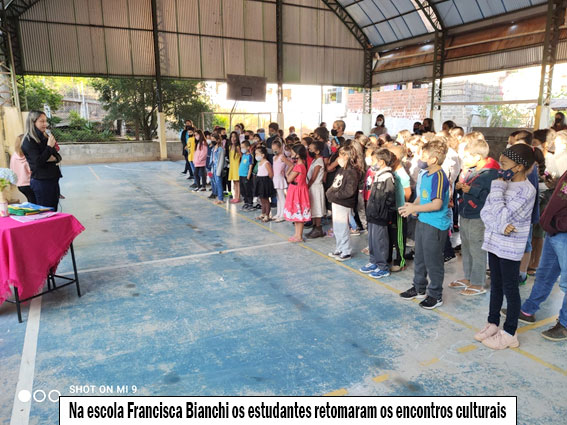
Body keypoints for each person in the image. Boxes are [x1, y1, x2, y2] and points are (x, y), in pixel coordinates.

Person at [475, 144, 536, 350]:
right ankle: (492, 323)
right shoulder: (502, 183)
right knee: (496, 285)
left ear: (519, 167)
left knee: (510, 289)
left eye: (504, 164)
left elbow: (505, 214)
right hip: (494, 242)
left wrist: (497, 191)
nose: (500, 168)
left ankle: (510, 332)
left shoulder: (527, 191)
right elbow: (485, 213)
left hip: (510, 248)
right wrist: (501, 227)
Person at [513, 169, 567, 341]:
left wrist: (559, 223)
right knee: (544, 274)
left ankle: (565, 325)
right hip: (554, 230)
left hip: (562, 230)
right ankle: (528, 310)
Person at [398, 139, 450, 310]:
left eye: (424, 156)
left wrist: (415, 208)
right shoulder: (426, 174)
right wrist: (412, 206)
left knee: (433, 261)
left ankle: (435, 295)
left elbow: (436, 204)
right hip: (423, 221)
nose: (420, 159)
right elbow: (423, 196)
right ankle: (419, 287)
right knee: (419, 257)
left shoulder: (439, 176)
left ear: (433, 159)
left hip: (435, 225)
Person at [450, 133, 499, 295]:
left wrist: (472, 190)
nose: (464, 160)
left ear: (477, 157)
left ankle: (478, 283)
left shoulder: (491, 173)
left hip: (479, 215)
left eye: (466, 157)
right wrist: (461, 187)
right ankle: (469, 277)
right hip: (466, 212)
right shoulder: (472, 170)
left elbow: (492, 196)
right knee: (466, 246)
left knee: (477, 248)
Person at [360, 148, 396, 278]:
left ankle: (383, 266)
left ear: (381, 161)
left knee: (380, 241)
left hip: (380, 216)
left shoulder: (387, 177)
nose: (372, 162)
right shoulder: (378, 175)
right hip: (373, 214)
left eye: (374, 160)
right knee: (372, 240)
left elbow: (389, 198)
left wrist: (384, 213)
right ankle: (374, 261)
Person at [326, 144, 361, 261]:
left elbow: (349, 191)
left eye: (341, 155)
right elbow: (336, 185)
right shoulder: (341, 170)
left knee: (342, 228)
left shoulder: (352, 172)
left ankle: (346, 251)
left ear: (347, 156)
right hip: (336, 202)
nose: (338, 158)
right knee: (337, 228)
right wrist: (330, 193)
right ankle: (339, 248)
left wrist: (334, 195)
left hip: (343, 203)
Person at [21, 110, 62, 210]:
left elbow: (57, 157)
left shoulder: (45, 137)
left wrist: (50, 156)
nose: (45, 124)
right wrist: (49, 147)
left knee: (54, 210)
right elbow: (37, 163)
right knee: (45, 212)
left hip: (52, 178)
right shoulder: (29, 140)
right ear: (33, 122)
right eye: (42, 121)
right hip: (41, 181)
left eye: (45, 121)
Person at [387, 144, 411, 272]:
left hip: (399, 210)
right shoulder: (391, 171)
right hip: (391, 208)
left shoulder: (402, 174)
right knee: (390, 235)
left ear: (396, 158)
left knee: (399, 237)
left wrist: (403, 206)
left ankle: (400, 261)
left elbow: (408, 192)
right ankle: (388, 257)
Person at [283, 144, 311, 242]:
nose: (291, 155)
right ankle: (297, 234)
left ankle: (299, 235)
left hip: (297, 191)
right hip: (297, 190)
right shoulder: (301, 165)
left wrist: (288, 172)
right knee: (297, 213)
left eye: (293, 153)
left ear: (298, 154)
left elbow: (289, 179)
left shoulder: (298, 167)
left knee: (299, 212)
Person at [306, 141, 325, 239]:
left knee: (317, 208)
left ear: (317, 151)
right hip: (312, 187)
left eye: (311, 149)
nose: (309, 150)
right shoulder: (314, 160)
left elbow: (313, 177)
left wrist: (307, 186)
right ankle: (314, 227)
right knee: (313, 208)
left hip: (316, 187)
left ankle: (318, 228)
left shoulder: (319, 161)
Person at [10, 134, 35, 203]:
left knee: (31, 200)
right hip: (29, 183)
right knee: (34, 202)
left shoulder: (14, 156)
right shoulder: (27, 157)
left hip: (20, 184)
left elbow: (12, 169)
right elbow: (31, 170)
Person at [254, 146, 274, 222]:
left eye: (257, 154)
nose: (256, 155)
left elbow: (271, 174)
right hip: (259, 180)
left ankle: (267, 215)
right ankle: (263, 213)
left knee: (266, 199)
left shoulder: (266, 163)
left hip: (264, 181)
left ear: (262, 155)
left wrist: (266, 181)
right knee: (261, 199)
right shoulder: (259, 163)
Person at [271, 140, 289, 222]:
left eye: (276, 149)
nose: (274, 151)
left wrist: (286, 172)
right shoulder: (274, 157)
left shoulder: (282, 157)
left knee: (282, 197)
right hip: (275, 178)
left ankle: (283, 215)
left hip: (280, 178)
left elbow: (291, 165)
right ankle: (278, 213)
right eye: (273, 149)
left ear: (280, 148)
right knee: (278, 197)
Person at [211, 134, 226, 205]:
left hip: (218, 168)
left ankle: (221, 199)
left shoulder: (221, 149)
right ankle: (218, 197)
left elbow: (221, 161)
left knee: (219, 183)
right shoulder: (213, 148)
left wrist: (219, 171)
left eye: (213, 139)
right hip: (213, 167)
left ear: (218, 140)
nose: (212, 141)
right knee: (215, 183)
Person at [239, 141, 254, 209]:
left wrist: (248, 176)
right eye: (241, 147)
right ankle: (246, 202)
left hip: (246, 176)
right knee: (243, 190)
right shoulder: (243, 155)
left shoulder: (250, 156)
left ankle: (250, 203)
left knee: (248, 190)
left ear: (248, 147)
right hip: (241, 175)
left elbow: (250, 167)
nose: (242, 149)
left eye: (243, 147)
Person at [228, 131, 241, 203]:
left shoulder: (237, 147)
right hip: (232, 166)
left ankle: (238, 197)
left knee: (237, 182)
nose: (233, 138)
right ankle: (235, 196)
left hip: (237, 166)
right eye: (232, 137)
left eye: (234, 137)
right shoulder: (230, 147)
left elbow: (241, 156)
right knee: (234, 182)